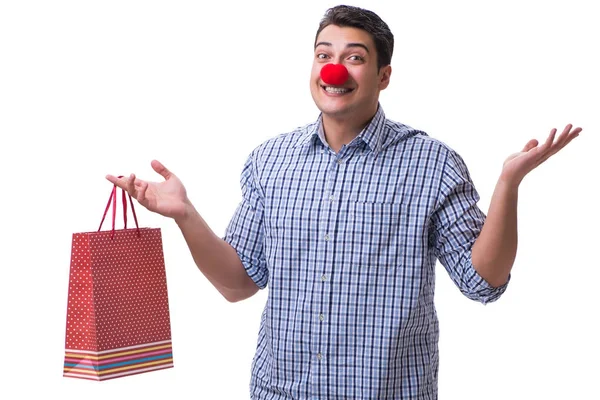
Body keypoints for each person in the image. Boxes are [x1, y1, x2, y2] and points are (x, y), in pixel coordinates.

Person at [107, 5, 581, 399]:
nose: (334, 68)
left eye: (354, 57)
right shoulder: (270, 160)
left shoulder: (432, 164)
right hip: (280, 391)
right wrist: (185, 216)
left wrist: (508, 184)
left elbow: (484, 282)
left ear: (384, 75)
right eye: (323, 55)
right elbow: (238, 283)